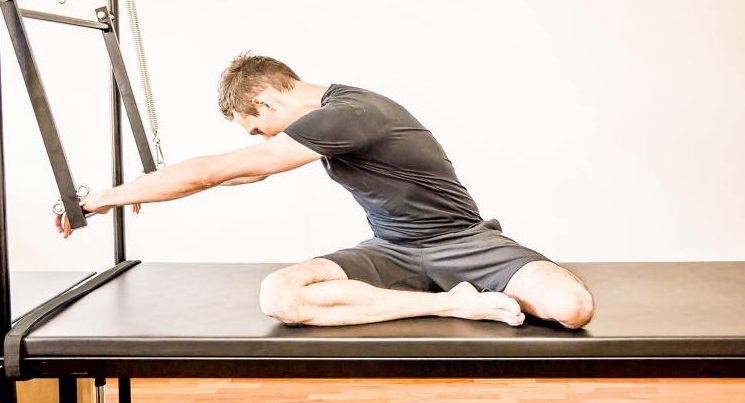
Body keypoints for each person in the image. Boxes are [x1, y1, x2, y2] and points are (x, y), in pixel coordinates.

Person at [55, 53, 594, 329]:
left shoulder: (348, 114)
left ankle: (455, 294)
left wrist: (101, 198)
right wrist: (140, 189)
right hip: (392, 251)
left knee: (571, 307)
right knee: (280, 296)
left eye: (255, 126)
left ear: (264, 100)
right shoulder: (328, 119)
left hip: (462, 241)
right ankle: (450, 306)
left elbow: (225, 168)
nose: (262, 138)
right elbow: (249, 172)